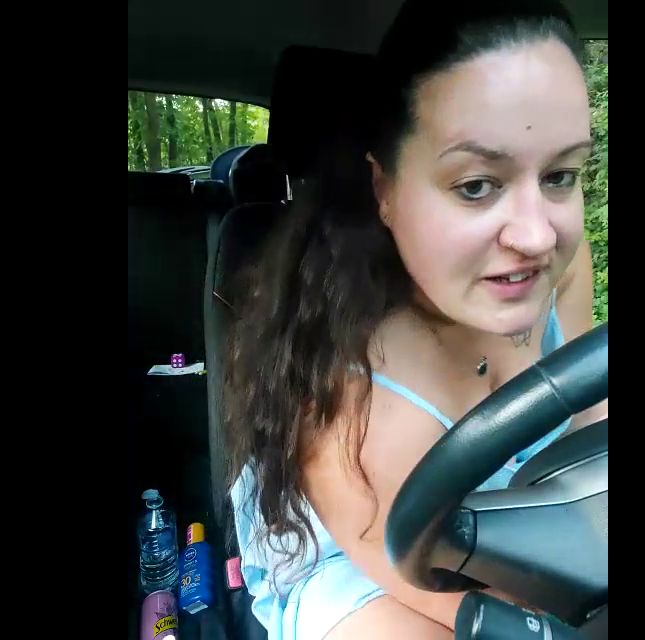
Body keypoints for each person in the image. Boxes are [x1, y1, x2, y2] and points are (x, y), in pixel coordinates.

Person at [225, 1, 608, 638]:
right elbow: (437, 589)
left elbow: (592, 437)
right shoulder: (344, 394)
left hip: (530, 522)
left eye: (560, 175)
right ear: (385, 189)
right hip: (378, 562)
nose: (539, 236)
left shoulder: (562, 269)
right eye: (477, 185)